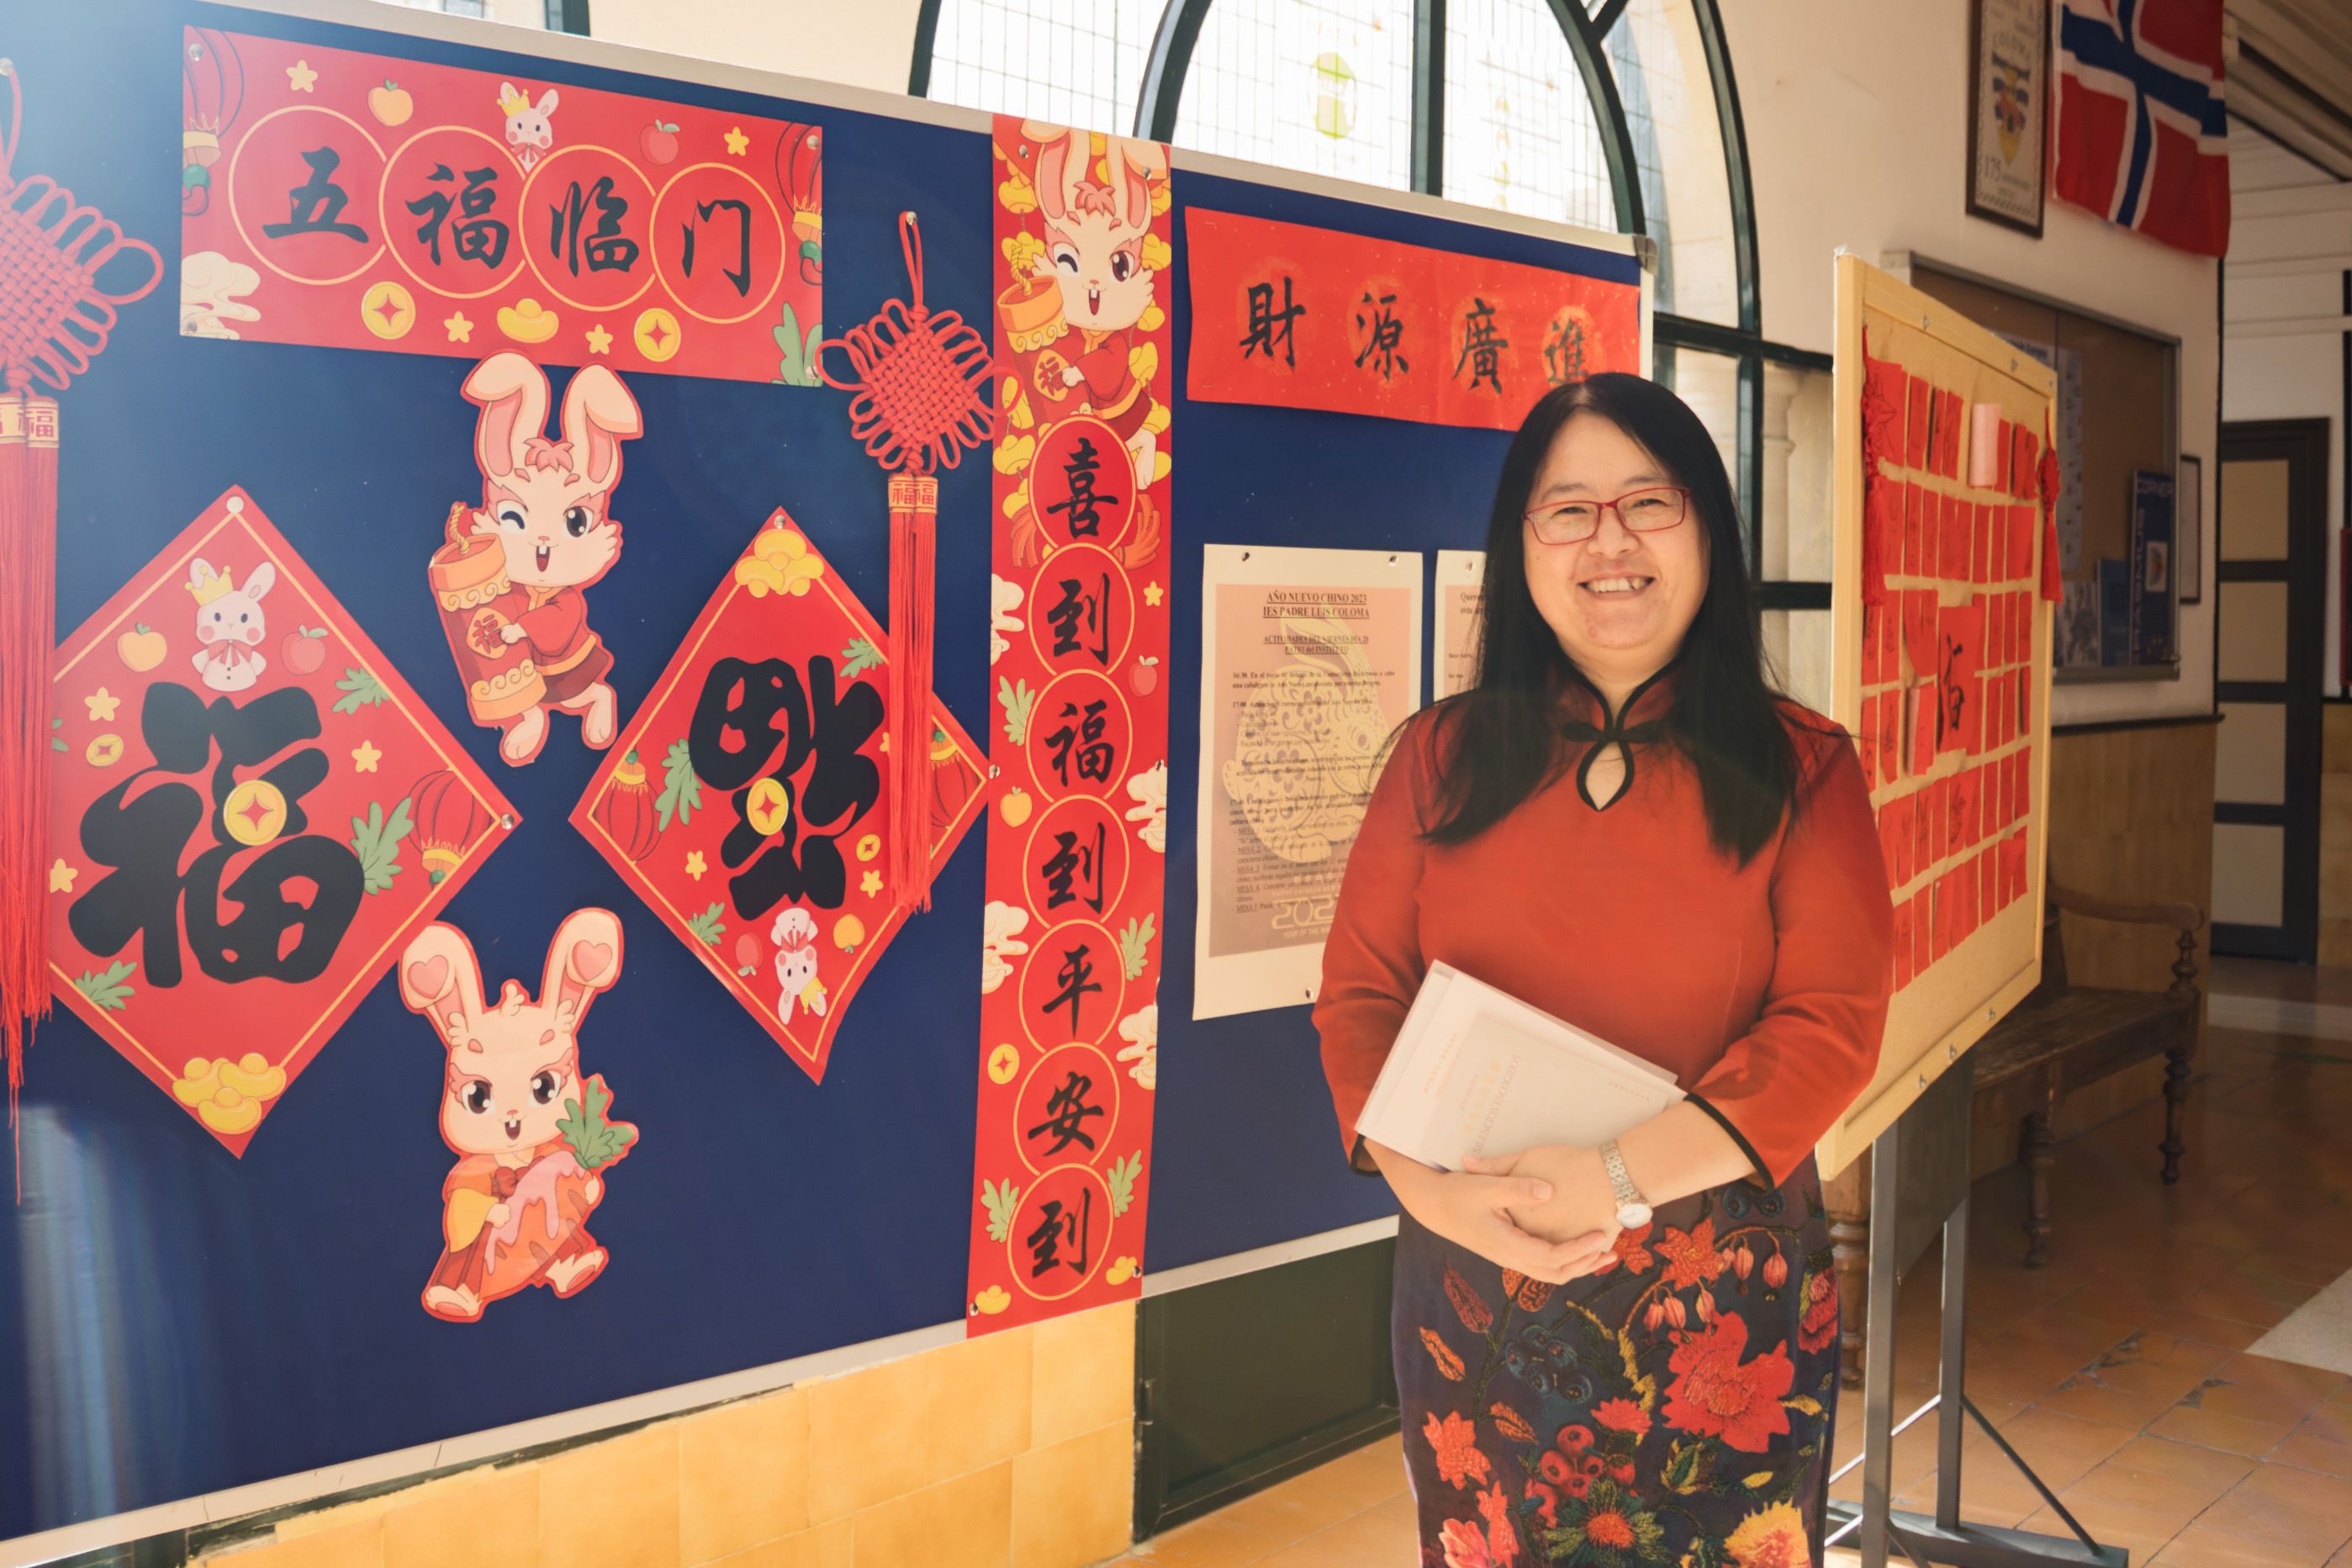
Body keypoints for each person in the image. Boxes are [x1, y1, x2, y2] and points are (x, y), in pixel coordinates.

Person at [1316, 373, 1892, 1568]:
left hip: (1722, 1305)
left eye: (1648, 501)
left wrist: (1619, 1175)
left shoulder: (1803, 765)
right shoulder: (1436, 756)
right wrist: (1430, 1197)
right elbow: (1361, 1001)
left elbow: (1829, 1027)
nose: (1610, 542)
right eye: (1568, 510)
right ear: (1520, 545)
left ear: (1707, 531)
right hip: (1475, 1276)